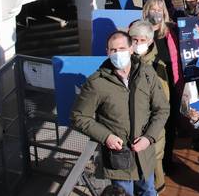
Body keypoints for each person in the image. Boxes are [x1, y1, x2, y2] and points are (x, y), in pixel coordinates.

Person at [71, 31, 170, 196]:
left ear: (131, 49)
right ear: (107, 52)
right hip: (118, 157)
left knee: (148, 191)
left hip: (144, 154)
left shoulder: (146, 73)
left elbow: (162, 109)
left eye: (122, 48)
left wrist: (148, 138)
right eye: (113, 50)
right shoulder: (96, 82)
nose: (118, 53)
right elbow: (78, 116)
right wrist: (106, 136)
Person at [142, 0, 184, 174]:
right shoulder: (140, 31)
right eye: (153, 9)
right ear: (146, 11)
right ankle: (152, 163)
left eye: (160, 9)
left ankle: (167, 160)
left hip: (171, 84)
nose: (156, 13)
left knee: (171, 123)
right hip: (148, 86)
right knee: (152, 124)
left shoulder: (172, 30)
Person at [129, 20, 170, 193]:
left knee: (152, 174)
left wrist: (150, 134)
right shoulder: (125, 62)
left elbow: (162, 104)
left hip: (151, 132)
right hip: (130, 131)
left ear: (150, 41)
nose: (137, 44)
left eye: (142, 40)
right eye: (134, 40)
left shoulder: (157, 66)